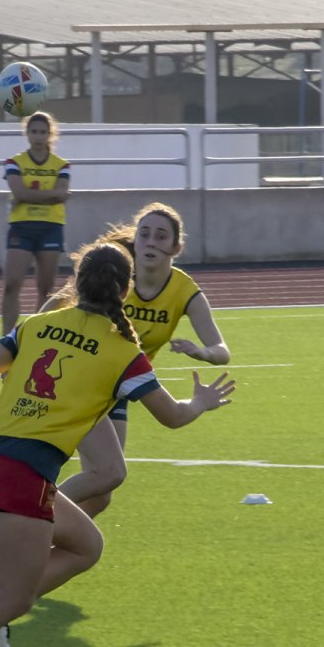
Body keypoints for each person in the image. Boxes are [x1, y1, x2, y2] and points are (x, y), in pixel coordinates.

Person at [0, 242, 235, 647]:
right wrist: (201, 402)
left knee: (88, 546)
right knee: (10, 598)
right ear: (126, 292)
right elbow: (172, 416)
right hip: (23, 473)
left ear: (76, 283)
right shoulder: (123, 351)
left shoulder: (37, 324)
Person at [52, 202, 231, 518]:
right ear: (135, 241)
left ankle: (45, 533)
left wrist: (203, 353)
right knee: (105, 476)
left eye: (161, 236)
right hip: (82, 379)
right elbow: (59, 301)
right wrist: (21, 342)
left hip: (118, 385)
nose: (151, 242)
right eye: (144, 234)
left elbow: (221, 349)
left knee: (102, 491)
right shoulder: (118, 273)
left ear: (176, 247)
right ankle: (36, 518)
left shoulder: (184, 290)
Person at [0, 111, 71, 337]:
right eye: (34, 131)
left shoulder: (61, 165)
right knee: (11, 284)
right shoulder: (14, 162)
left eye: (43, 132)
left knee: (45, 288)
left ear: (51, 134)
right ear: (27, 134)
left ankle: (34, 337)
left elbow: (60, 194)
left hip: (51, 227)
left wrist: (30, 194)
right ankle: (6, 339)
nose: (38, 136)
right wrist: (50, 195)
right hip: (22, 226)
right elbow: (18, 192)